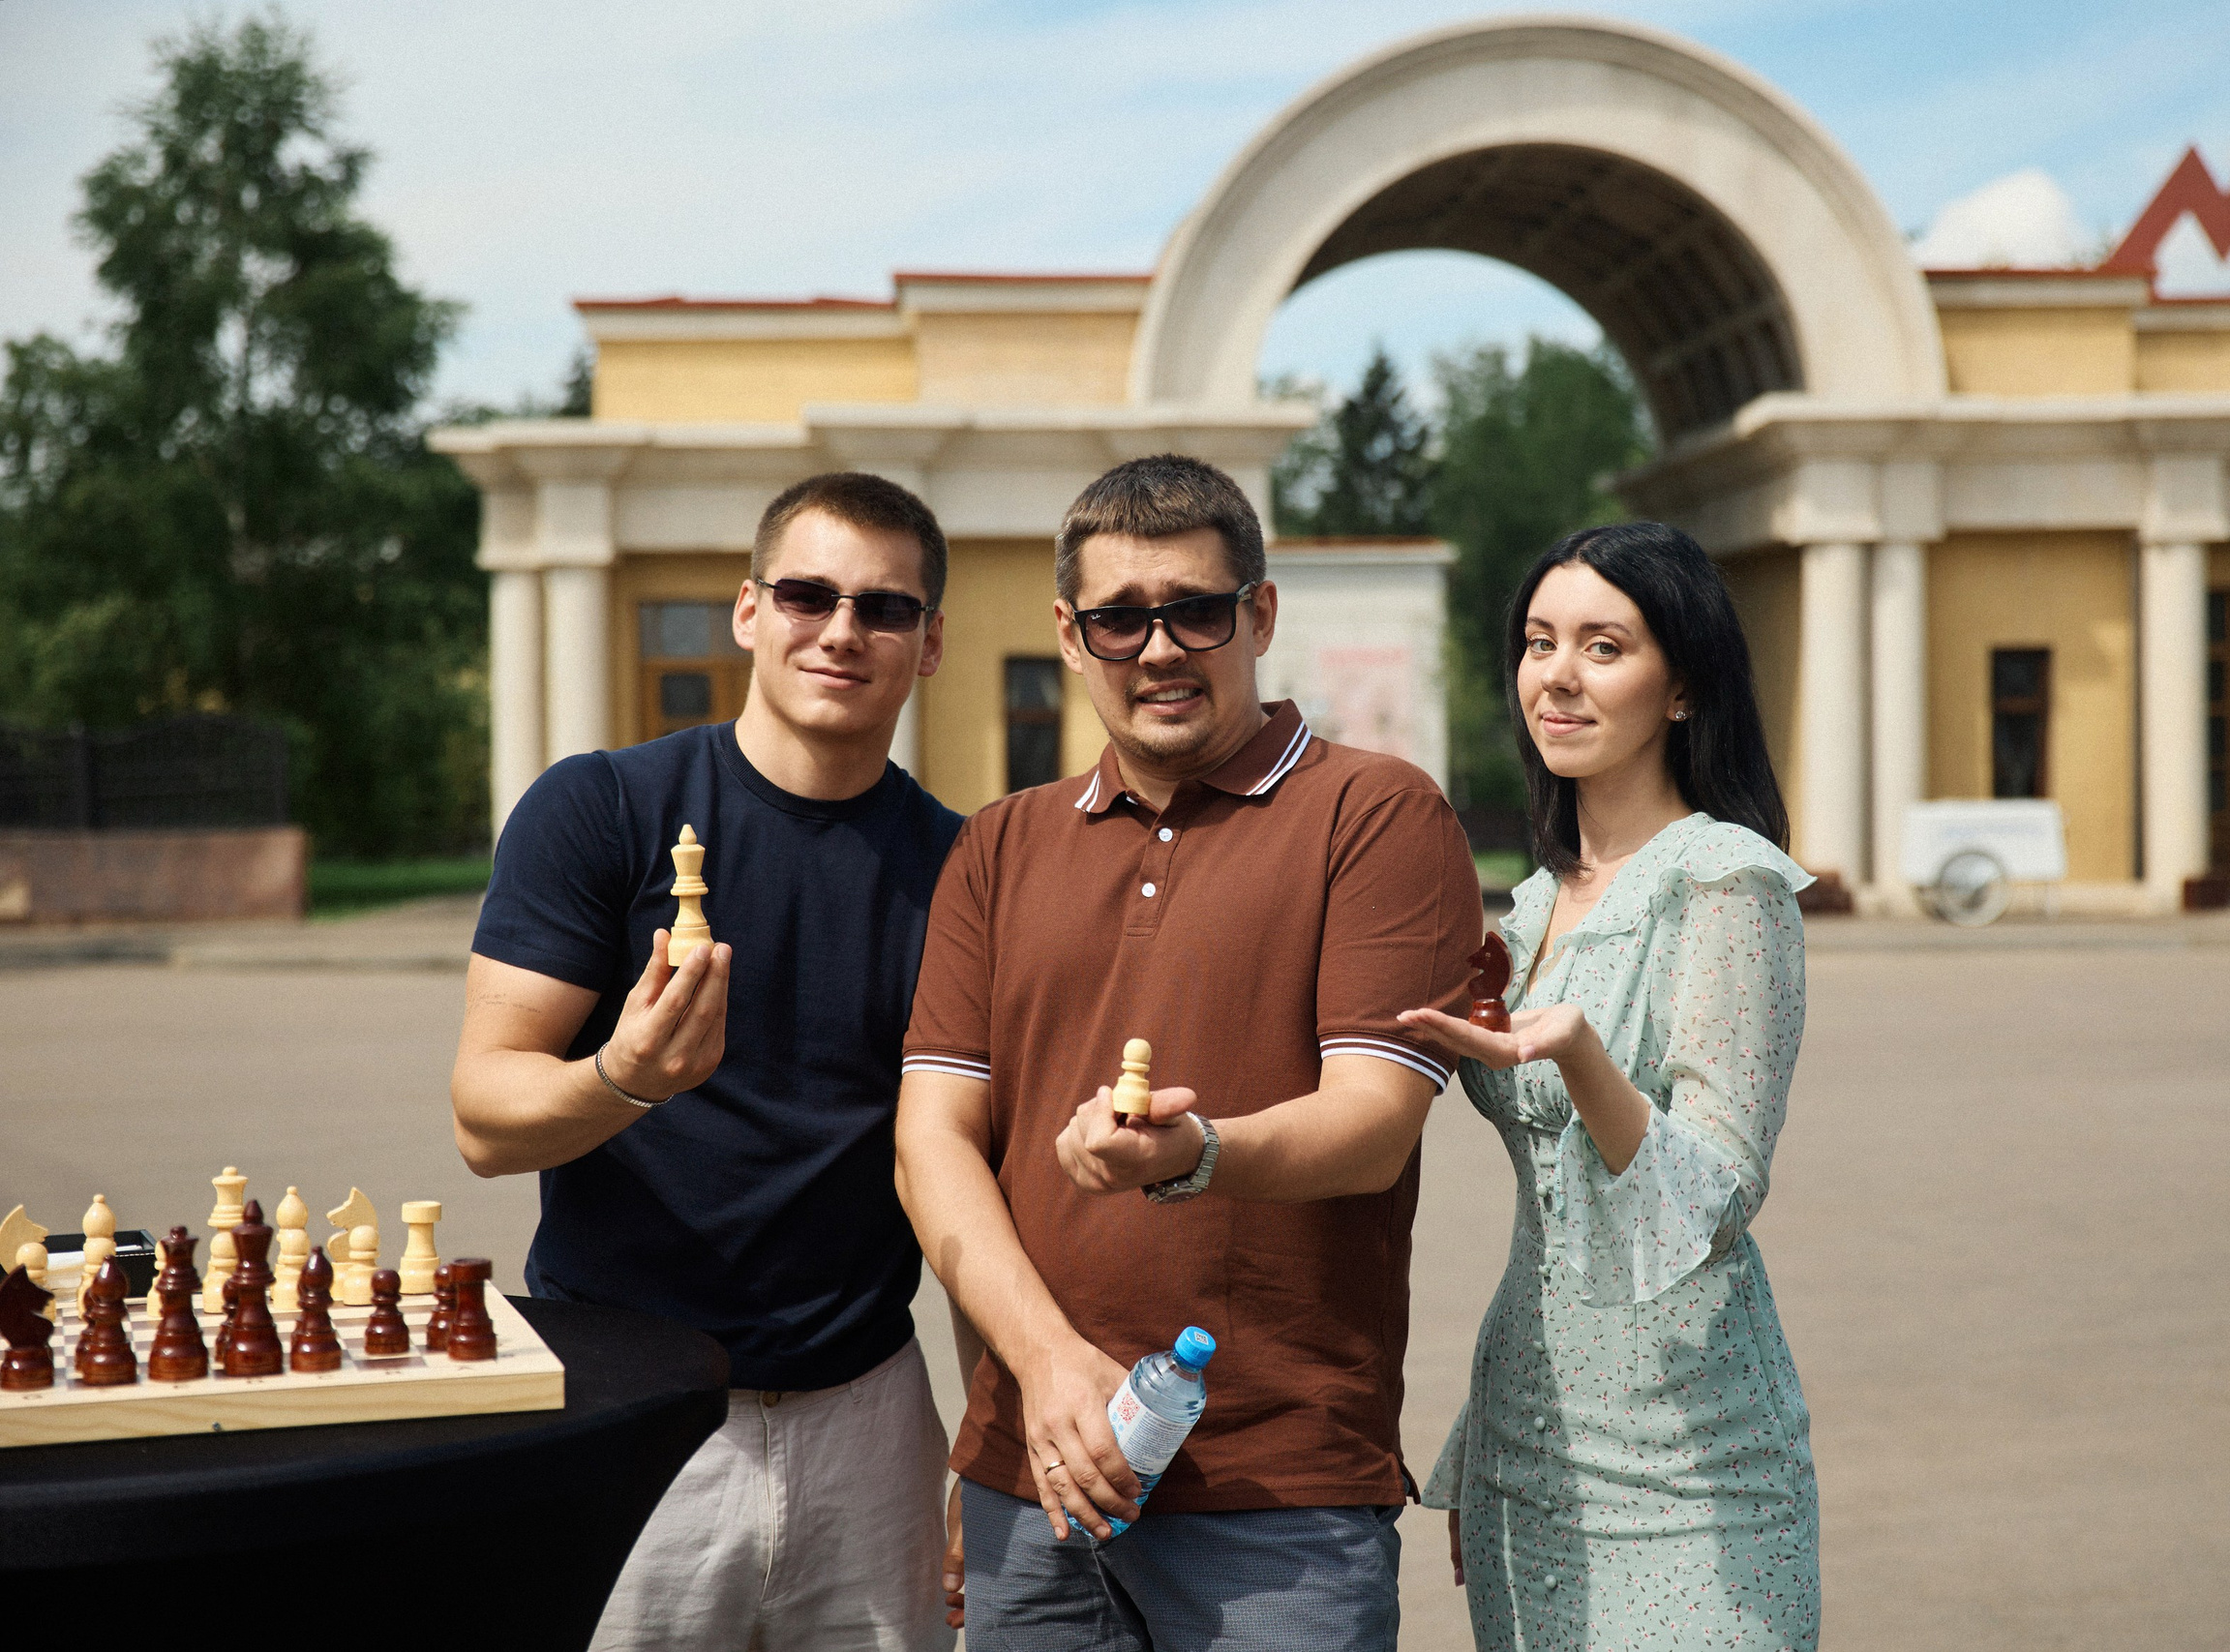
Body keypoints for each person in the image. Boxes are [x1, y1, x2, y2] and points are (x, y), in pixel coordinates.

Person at [894, 453, 1485, 1651]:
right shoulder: (999, 845)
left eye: (1195, 611)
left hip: (1278, 1494)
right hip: (1037, 1475)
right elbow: (931, 1141)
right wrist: (1048, 1373)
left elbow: (1371, 1127)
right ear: (1071, 635)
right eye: (1118, 619)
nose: (1157, 649)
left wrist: (1198, 1152)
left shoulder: (1374, 813)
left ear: (1257, 614)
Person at [451, 472, 964, 1652]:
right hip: (636, 1405)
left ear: (930, 642)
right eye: (807, 594)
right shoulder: (604, 810)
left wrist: (986, 1439)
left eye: (885, 608)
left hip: (868, 1416)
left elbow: (974, 1178)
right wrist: (622, 1075)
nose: (842, 630)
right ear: (748, 610)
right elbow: (485, 1117)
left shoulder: (963, 868)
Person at [1399, 521, 1823, 1650]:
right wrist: (1482, 1432)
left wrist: (1583, 1057)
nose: (1559, 677)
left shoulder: (1726, 882)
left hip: (1695, 1461)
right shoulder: (1531, 907)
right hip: (1526, 1445)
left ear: (1681, 687)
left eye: (1603, 646)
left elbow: (1719, 1200)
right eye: (1540, 643)